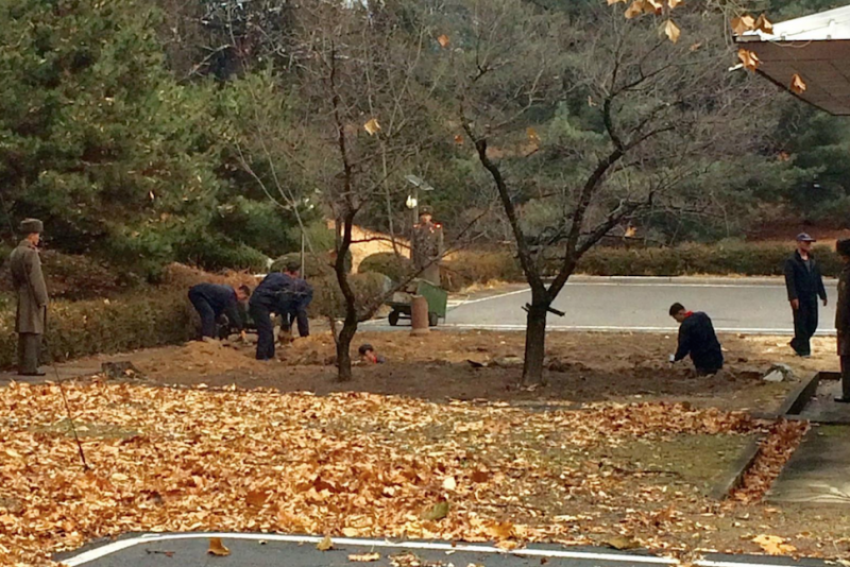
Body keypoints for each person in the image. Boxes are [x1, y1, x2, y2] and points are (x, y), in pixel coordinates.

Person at [249, 259, 313, 361]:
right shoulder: (288, 283)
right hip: (261, 304)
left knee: (268, 328)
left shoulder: (273, 275)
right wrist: (284, 320)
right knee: (266, 330)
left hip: (256, 301)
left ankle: (270, 354)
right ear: (296, 272)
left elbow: (263, 287)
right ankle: (261, 356)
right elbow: (284, 301)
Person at [9, 219, 48, 376]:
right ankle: (30, 367)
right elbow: (37, 280)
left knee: (23, 331)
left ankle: (22, 365)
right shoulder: (31, 253)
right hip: (32, 295)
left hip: (22, 293)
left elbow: (13, 279)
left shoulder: (15, 252)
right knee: (33, 330)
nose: (38, 238)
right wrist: (43, 299)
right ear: (32, 235)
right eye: (37, 234)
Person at [784, 233, 827, 358]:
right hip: (800, 297)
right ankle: (804, 351)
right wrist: (793, 297)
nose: (808, 244)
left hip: (811, 296)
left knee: (813, 323)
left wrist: (822, 294)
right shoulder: (791, 261)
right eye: (805, 242)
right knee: (801, 323)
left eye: (809, 242)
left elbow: (818, 279)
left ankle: (797, 343)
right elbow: (790, 281)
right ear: (799, 243)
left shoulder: (813, 260)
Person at [668, 302, 724, 375]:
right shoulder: (703, 316)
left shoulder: (685, 326)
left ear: (680, 313)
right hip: (716, 354)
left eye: (676, 318)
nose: (677, 321)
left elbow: (684, 346)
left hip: (702, 359)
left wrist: (676, 358)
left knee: (704, 374)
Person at [411, 206, 444, 286]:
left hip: (431, 261)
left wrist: (438, 259)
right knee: (419, 284)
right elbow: (413, 246)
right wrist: (412, 261)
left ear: (430, 217)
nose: (425, 218)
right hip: (419, 261)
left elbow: (439, 244)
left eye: (427, 215)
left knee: (432, 284)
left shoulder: (436, 229)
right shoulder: (416, 229)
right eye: (423, 215)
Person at [834, 239, 850, 403]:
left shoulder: (847, 273)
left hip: (848, 323)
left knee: (846, 357)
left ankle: (848, 393)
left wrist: (840, 325)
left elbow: (844, 301)